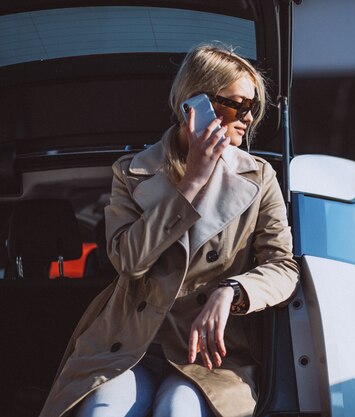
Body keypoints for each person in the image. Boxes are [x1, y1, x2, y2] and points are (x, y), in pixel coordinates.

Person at [39, 44, 299, 417]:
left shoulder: (258, 177)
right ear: (194, 103)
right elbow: (129, 261)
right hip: (127, 345)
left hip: (208, 357)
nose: (247, 117)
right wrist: (191, 182)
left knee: (179, 412)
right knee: (101, 411)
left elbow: (283, 267)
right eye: (236, 105)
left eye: (252, 108)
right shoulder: (131, 172)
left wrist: (232, 291)